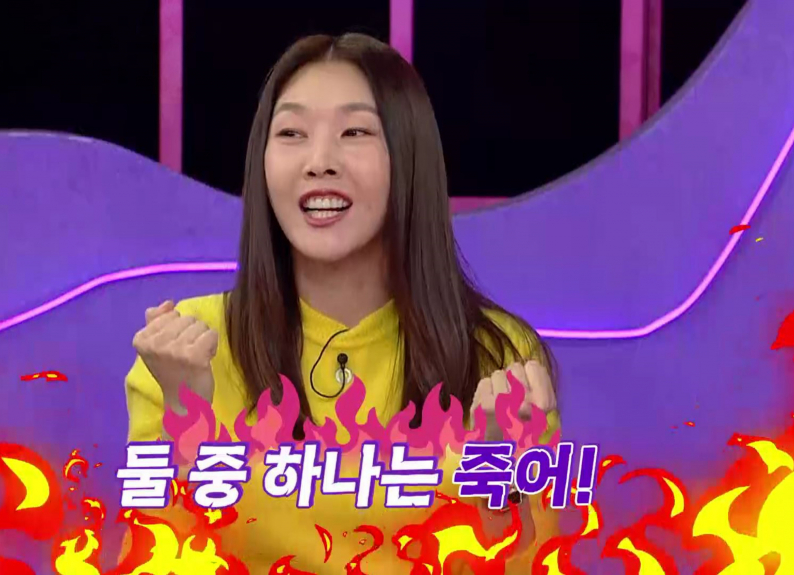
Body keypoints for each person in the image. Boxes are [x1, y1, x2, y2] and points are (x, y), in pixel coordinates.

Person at [124, 32, 561, 572]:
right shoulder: (185, 347)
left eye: (354, 132)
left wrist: (495, 478)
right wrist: (185, 414)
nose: (319, 162)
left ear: (409, 158)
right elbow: (152, 558)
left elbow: (526, 560)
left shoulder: (498, 355)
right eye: (291, 133)